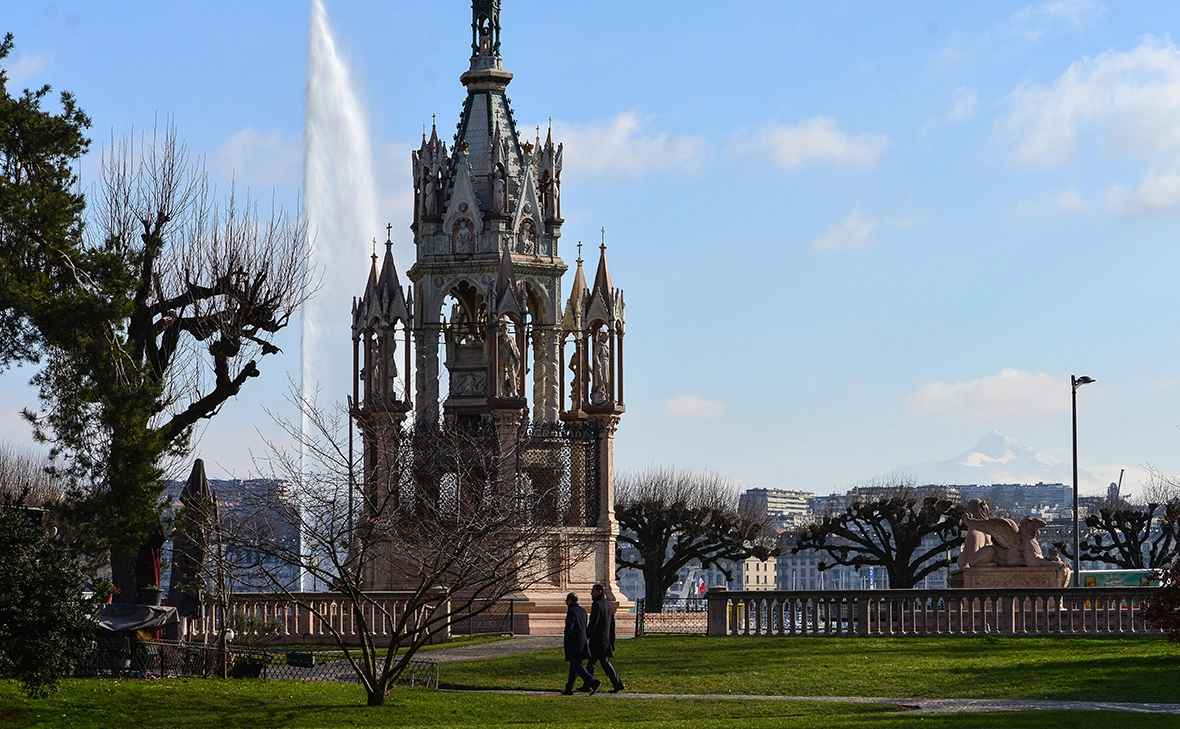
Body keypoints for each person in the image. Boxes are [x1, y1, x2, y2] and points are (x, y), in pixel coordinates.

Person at [583, 583, 625, 693]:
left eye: (593, 591)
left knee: (597, 662)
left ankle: (590, 684)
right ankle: (589, 684)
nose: (591, 594)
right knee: (597, 662)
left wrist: (586, 636)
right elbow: (612, 625)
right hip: (605, 639)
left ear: (599, 591)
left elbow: (593, 623)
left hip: (597, 639)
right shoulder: (609, 605)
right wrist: (612, 641)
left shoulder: (597, 605)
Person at [562, 592, 600, 696]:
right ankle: (569, 687)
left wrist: (566, 639)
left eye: (567, 601)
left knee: (577, 665)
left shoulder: (571, 611)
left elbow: (570, 627)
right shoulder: (583, 611)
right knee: (574, 665)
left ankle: (593, 682)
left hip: (574, 641)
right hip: (582, 640)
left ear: (570, 600)